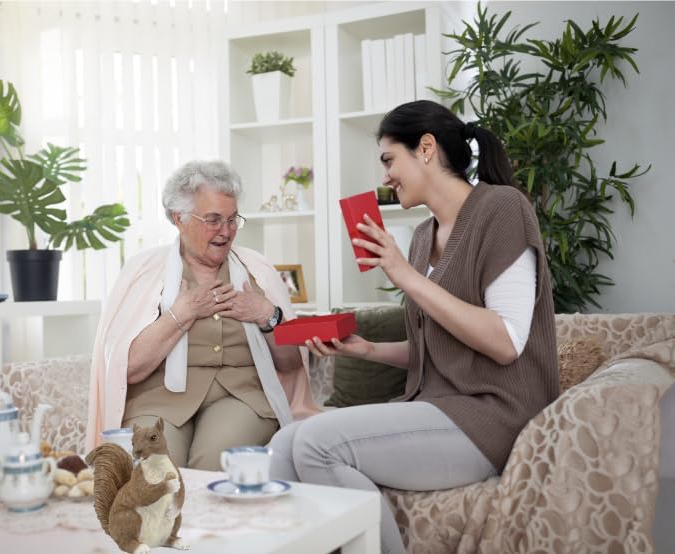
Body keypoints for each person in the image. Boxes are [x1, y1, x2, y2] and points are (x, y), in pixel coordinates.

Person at [268, 100, 560, 554]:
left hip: (494, 418)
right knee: (285, 442)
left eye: (389, 160)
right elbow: (438, 350)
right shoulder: (423, 236)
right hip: (435, 408)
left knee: (317, 445)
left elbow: (505, 342)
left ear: (425, 148)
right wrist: (366, 350)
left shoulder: (502, 209)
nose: (386, 176)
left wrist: (404, 275)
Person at [85, 160, 319, 470]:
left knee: (213, 461)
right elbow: (127, 368)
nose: (226, 231)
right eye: (213, 220)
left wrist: (267, 315)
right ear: (178, 219)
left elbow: (291, 364)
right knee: (157, 468)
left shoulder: (256, 271)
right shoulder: (144, 274)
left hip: (240, 398)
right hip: (158, 399)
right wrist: (181, 314)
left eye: (232, 219)